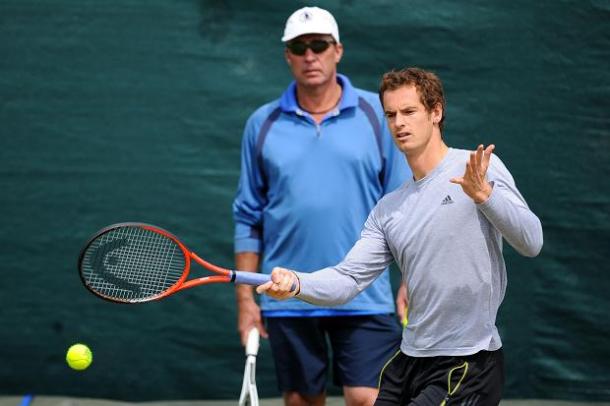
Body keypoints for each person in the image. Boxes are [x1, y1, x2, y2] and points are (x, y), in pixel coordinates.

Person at [257, 67, 544, 405]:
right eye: (391, 114)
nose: (399, 123)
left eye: (409, 112)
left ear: (436, 112)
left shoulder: (478, 168)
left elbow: (531, 242)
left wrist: (485, 196)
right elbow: (347, 279)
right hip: (410, 360)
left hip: (468, 362)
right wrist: (297, 283)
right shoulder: (389, 209)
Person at [232, 6, 412, 406]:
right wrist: (247, 301)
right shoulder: (261, 124)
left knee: (369, 399)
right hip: (286, 293)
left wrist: (410, 279)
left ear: (338, 51)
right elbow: (248, 215)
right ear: (288, 56)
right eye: (300, 47)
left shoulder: (376, 116)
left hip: (364, 293)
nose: (310, 55)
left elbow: (403, 208)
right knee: (301, 402)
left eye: (319, 45)